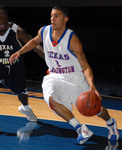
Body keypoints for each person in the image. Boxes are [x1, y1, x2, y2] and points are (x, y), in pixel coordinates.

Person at [9, 6, 119, 144]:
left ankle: (111, 124)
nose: (52, 19)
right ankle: (81, 129)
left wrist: (91, 85)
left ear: (65, 19)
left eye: (56, 16)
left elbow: (85, 66)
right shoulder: (44, 31)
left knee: (94, 108)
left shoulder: (72, 39)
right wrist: (20, 52)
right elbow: (34, 41)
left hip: (74, 77)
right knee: (50, 98)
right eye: (51, 16)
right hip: (54, 75)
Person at [0, 5, 44, 122]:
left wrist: (50, 60)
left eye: (4, 17)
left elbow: (34, 45)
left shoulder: (17, 31)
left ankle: (25, 108)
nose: (2, 20)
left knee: (21, 92)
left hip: (15, 68)